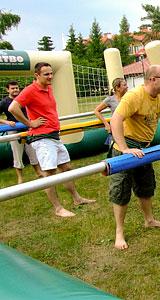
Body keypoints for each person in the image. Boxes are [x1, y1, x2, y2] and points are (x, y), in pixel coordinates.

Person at [8, 62, 95, 217]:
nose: (50, 77)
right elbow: (12, 108)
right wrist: (29, 123)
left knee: (67, 168)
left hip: (54, 135)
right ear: (37, 75)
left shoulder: (48, 88)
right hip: (42, 138)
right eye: (46, 74)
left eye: (51, 73)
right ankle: (58, 208)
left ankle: (77, 199)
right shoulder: (30, 90)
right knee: (49, 174)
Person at [109, 64, 160, 250]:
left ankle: (149, 220)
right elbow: (115, 119)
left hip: (144, 149)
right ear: (153, 79)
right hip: (126, 148)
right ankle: (119, 233)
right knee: (121, 190)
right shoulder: (134, 96)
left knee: (146, 186)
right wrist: (124, 149)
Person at [0, 81, 42, 183]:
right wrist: (6, 122)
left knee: (32, 151)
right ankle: (20, 178)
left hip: (28, 128)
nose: (15, 90)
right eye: (13, 88)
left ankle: (38, 172)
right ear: (7, 90)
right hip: (13, 130)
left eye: (17, 88)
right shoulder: (4, 102)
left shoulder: (23, 99)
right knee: (17, 154)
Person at [94, 78, 128, 145]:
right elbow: (96, 111)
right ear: (117, 88)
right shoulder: (110, 99)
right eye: (124, 85)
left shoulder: (129, 97)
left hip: (129, 129)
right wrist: (106, 124)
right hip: (117, 129)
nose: (127, 86)